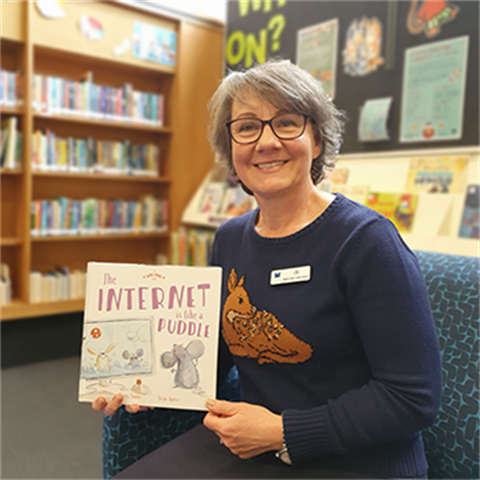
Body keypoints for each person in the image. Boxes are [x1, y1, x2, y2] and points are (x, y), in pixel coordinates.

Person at [93, 59, 442, 479]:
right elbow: (214, 357)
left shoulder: (367, 241)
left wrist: (282, 431)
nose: (266, 142)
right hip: (252, 447)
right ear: (231, 148)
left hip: (357, 458)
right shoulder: (229, 239)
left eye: (287, 123)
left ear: (316, 140)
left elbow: (412, 398)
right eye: (246, 127)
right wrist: (146, 382)